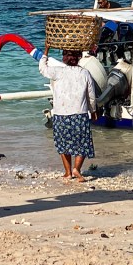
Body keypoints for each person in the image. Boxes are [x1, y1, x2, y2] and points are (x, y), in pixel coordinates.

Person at [38, 48, 97, 182]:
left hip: (60, 114)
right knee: (82, 144)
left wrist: (46, 51)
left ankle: (67, 172)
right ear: (79, 57)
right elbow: (91, 96)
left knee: (63, 144)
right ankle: (77, 169)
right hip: (79, 114)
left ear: (64, 57)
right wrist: (93, 111)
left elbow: (42, 68)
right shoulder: (85, 73)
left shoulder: (58, 72)